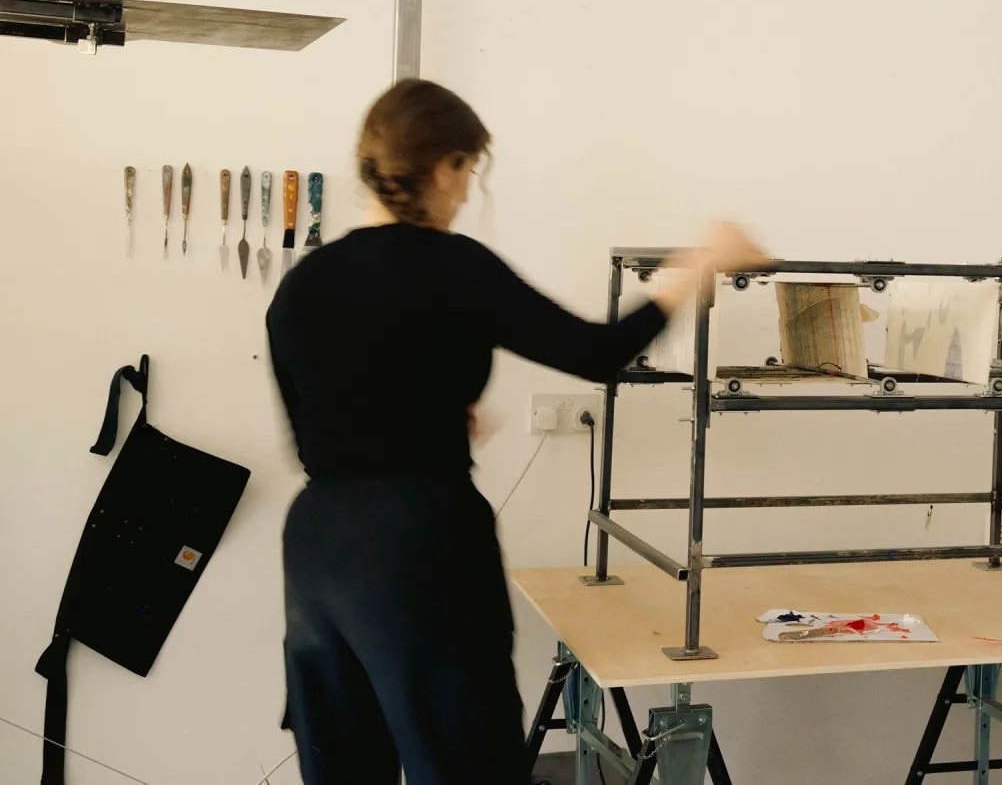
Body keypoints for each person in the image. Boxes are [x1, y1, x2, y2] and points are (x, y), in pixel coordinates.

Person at [265, 79, 770, 785]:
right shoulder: (451, 265)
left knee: (343, 769)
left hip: (317, 547)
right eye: (467, 170)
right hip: (419, 539)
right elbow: (596, 352)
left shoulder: (303, 282)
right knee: (467, 765)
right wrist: (697, 266)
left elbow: (328, 421)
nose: (467, 192)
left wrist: (432, 418)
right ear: (441, 164)